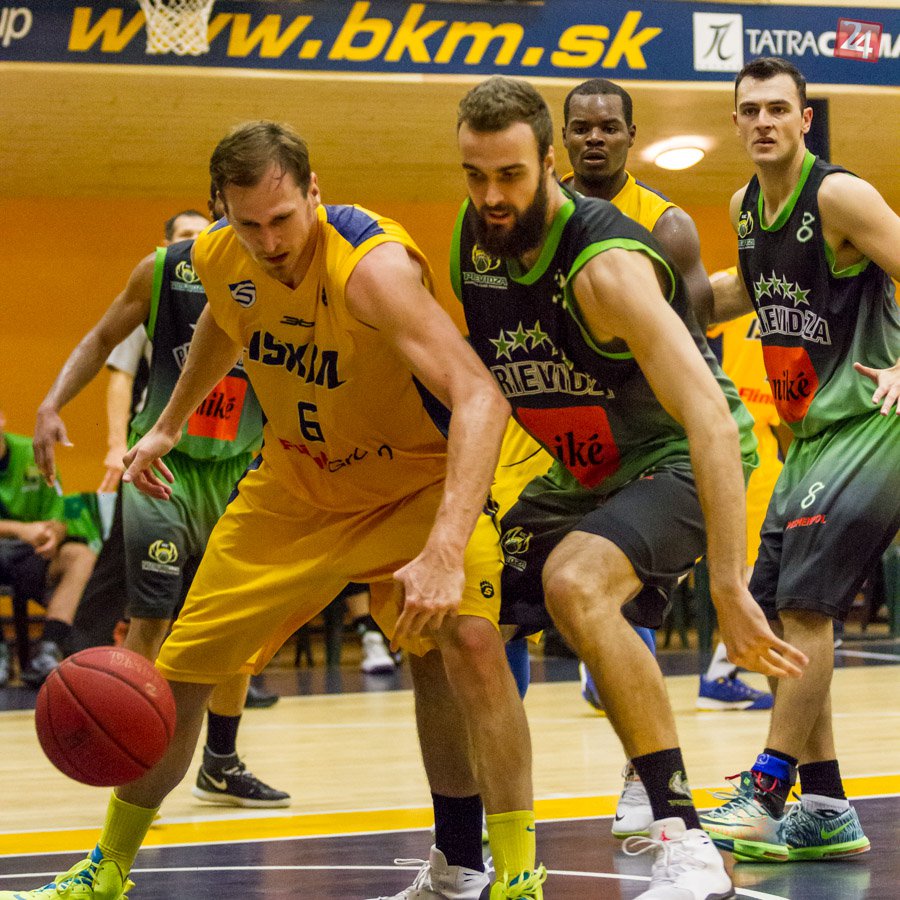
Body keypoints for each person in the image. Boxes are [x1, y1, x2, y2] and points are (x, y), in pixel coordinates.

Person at [0, 120, 546, 900]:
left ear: (314, 191)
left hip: (416, 487)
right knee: (180, 673)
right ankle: (107, 870)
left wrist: (447, 545)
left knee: (466, 645)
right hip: (296, 489)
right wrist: (168, 424)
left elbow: (480, 397)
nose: (269, 242)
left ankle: (507, 873)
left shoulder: (372, 269)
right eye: (248, 224)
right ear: (222, 211)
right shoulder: (220, 256)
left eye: (283, 219)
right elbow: (224, 323)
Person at [454, 76, 808, 900]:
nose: (493, 196)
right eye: (475, 176)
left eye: (510, 175)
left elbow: (710, 418)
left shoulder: (607, 263)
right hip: (590, 465)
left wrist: (728, 586)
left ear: (548, 163)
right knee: (464, 619)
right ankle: (480, 861)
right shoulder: (474, 244)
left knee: (577, 582)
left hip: (684, 451)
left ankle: (684, 841)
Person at [558, 78, 776, 840]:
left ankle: (644, 784)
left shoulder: (665, 223)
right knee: (486, 607)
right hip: (567, 433)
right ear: (562, 137)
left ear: (630, 135)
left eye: (607, 127)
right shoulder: (540, 217)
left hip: (652, 436)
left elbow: (693, 331)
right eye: (581, 127)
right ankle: (485, 811)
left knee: (619, 592)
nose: (594, 137)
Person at [699, 56, 900, 864]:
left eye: (778, 108)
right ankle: (825, 806)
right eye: (750, 110)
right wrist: (647, 304)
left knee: (806, 607)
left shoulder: (838, 195)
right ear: (736, 121)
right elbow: (746, 293)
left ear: (805, 119)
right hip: (810, 435)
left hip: (871, 422)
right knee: (777, 613)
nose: (763, 121)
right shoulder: (746, 208)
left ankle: (767, 787)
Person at [32, 199, 289, 811]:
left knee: (234, 626)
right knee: (151, 616)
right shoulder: (163, 270)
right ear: (221, 201)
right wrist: (51, 403)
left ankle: (220, 764)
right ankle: (130, 755)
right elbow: (102, 338)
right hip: (162, 471)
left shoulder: (287, 273)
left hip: (239, 471)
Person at [0, 410, 97, 687]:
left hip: (34, 555)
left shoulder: (32, 454)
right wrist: (19, 529)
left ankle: (49, 650)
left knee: (80, 556)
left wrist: (54, 533)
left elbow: (64, 512)